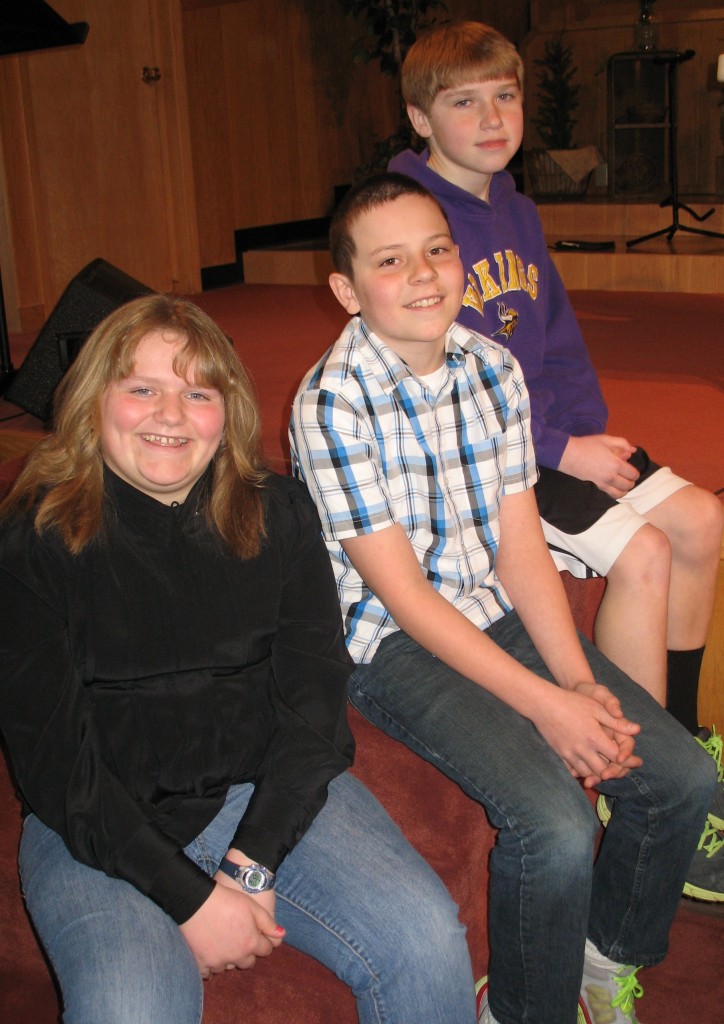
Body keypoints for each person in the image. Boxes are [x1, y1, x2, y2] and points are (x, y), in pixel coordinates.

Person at [289, 172, 718, 1024]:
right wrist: (546, 708)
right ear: (346, 289)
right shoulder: (331, 402)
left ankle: (604, 961)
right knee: (555, 826)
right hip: (390, 643)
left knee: (680, 775)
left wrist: (577, 678)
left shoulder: (491, 367)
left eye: (438, 250)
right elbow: (405, 600)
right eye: (390, 260)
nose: (423, 274)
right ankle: (524, 1010)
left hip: (496, 607)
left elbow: (521, 546)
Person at [0, 294, 477, 1024]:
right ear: (94, 400)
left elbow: (316, 707)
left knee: (424, 940)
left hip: (256, 788)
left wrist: (252, 860)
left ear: (229, 413)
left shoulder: (278, 512)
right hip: (98, 816)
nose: (170, 414)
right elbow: (56, 766)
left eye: (198, 392)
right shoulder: (36, 535)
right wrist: (190, 900)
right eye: (142, 389)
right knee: (128, 1009)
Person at [387, 21, 724, 743]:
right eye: (464, 103)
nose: (492, 119)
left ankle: (687, 740)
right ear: (420, 119)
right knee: (647, 552)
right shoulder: (409, 221)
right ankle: (642, 773)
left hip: (549, 440)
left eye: (504, 96)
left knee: (700, 519)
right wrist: (562, 454)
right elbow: (442, 384)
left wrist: (584, 433)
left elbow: (560, 337)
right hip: (481, 460)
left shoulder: (519, 211)